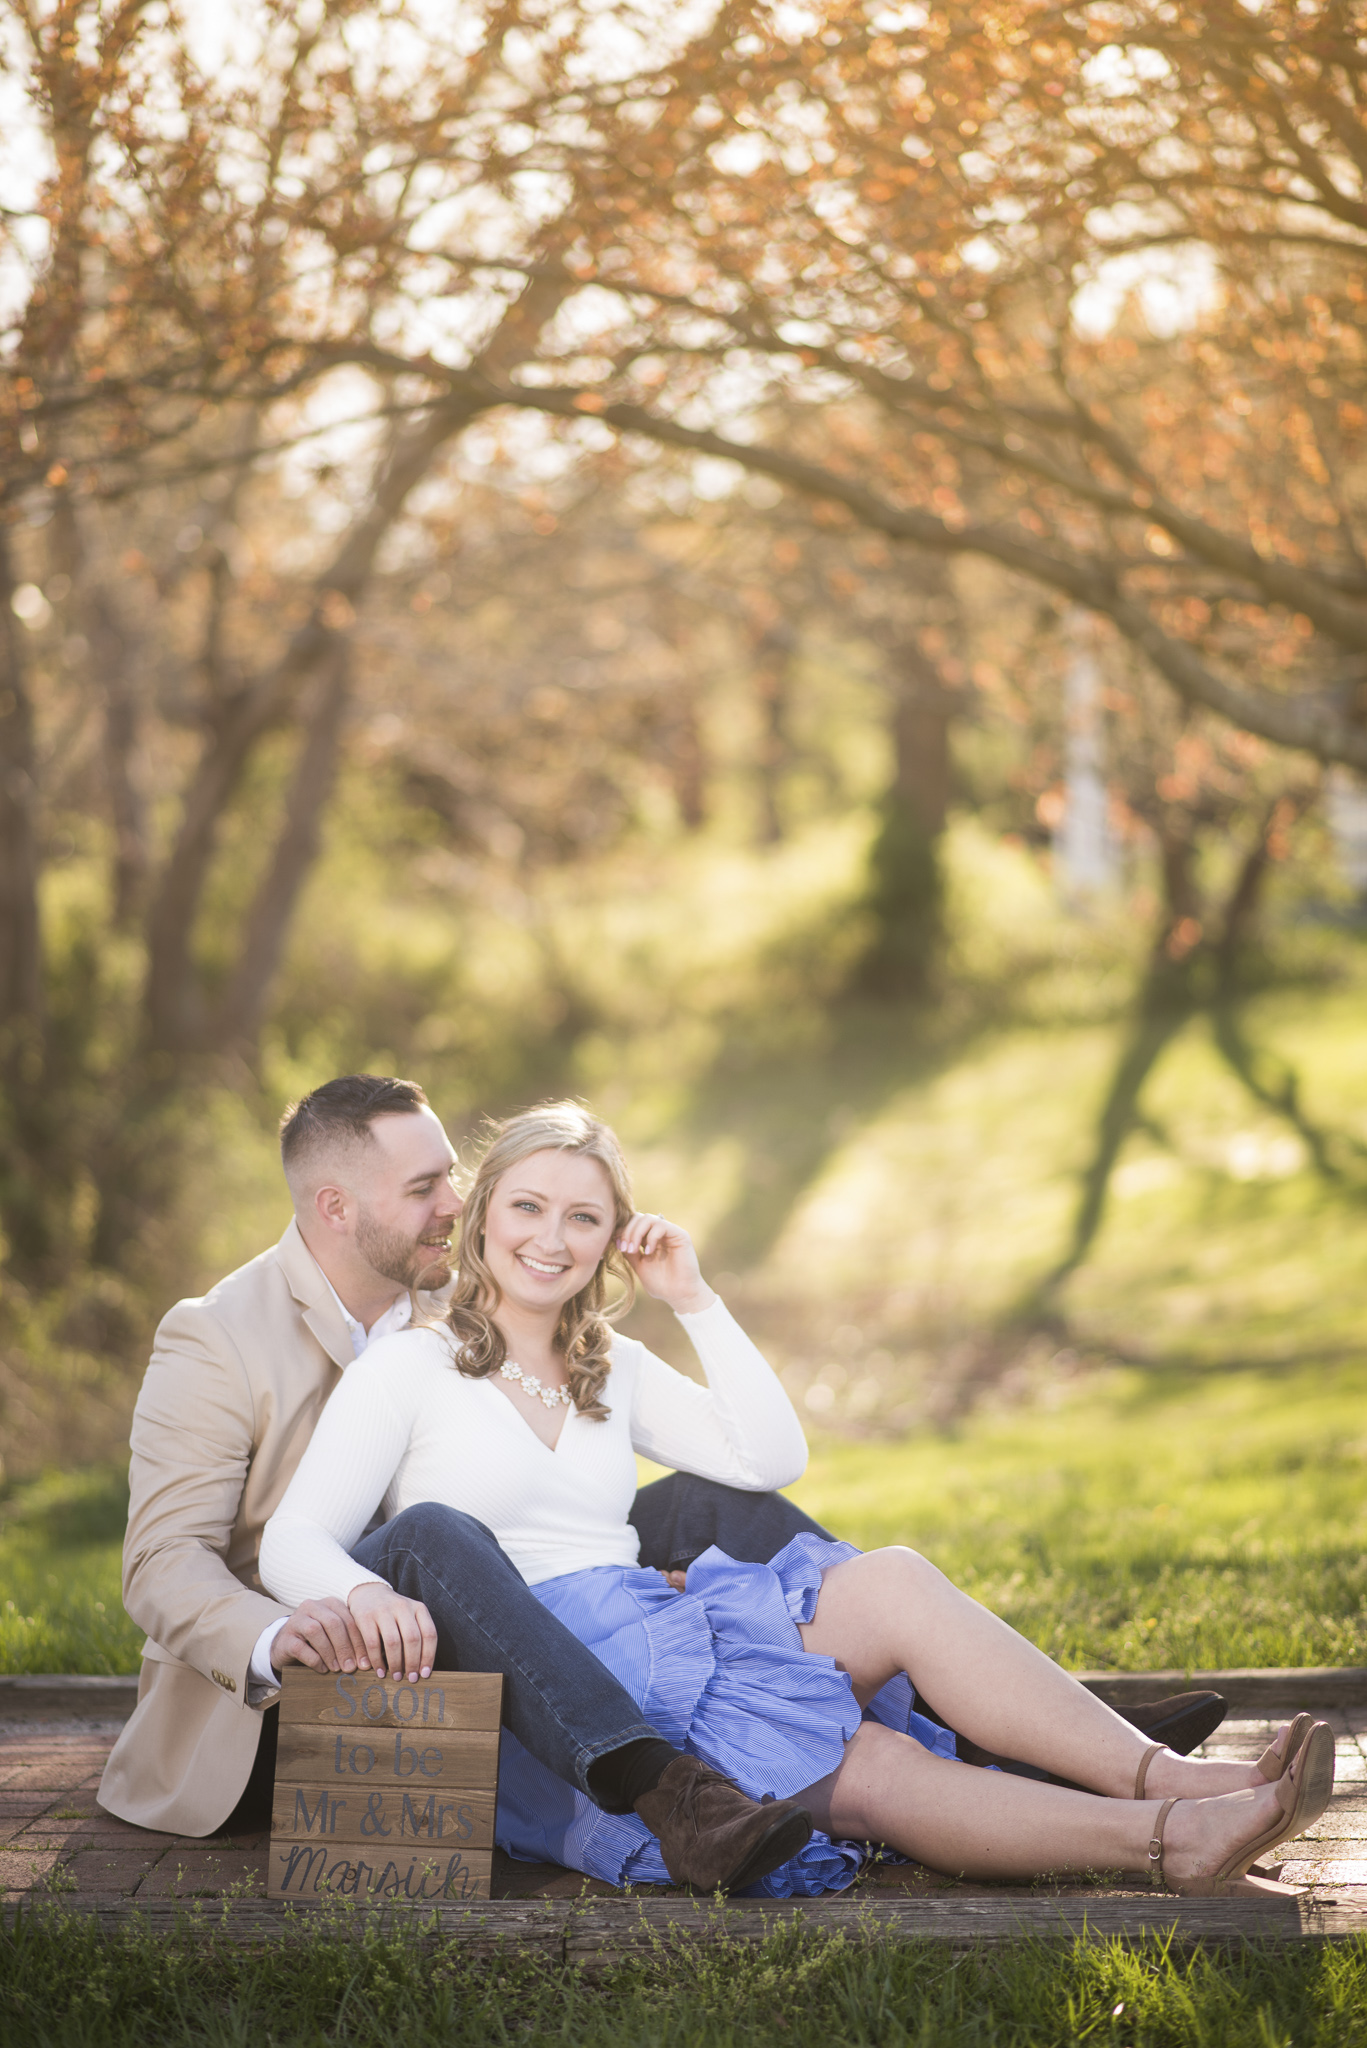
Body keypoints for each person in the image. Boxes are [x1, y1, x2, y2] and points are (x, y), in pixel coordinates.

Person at [260, 1101, 1334, 1897]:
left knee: (893, 1586)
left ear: (611, 1238)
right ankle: (1163, 1842)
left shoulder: (609, 1366)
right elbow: (293, 1540)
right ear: (484, 1214)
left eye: (583, 1216)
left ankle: (1170, 1785)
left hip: (656, 1621)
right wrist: (367, 1595)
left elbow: (767, 1457)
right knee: (870, 1768)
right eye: (528, 1206)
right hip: (555, 1687)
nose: (551, 1237)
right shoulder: (410, 1366)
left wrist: (695, 1299)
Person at [97, 1075, 813, 1893]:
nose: (455, 1201)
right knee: (433, 1535)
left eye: (452, 1175)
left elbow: (725, 1453)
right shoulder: (217, 1335)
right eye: (423, 1188)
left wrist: (690, 1301)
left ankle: (907, 1677)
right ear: (336, 1207)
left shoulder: (462, 1288)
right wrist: (279, 1634)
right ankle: (662, 1789)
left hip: (472, 1605)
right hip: (301, 1673)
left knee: (707, 1504)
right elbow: (161, 1561)